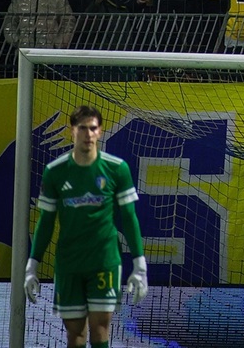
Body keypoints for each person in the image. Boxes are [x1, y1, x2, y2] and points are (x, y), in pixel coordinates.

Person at [25, 105, 148, 348]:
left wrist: (139, 264)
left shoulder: (117, 169)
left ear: (100, 132)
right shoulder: (55, 172)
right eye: (83, 128)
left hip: (104, 262)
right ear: (73, 131)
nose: (88, 134)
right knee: (75, 335)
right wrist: (32, 265)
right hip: (69, 264)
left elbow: (130, 217)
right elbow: (46, 221)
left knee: (100, 330)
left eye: (93, 128)